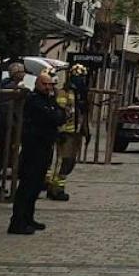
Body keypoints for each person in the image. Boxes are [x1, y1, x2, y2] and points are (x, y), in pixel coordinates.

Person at [8, 69, 65, 235]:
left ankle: (28, 218)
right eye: (44, 84)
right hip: (33, 149)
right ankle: (17, 222)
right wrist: (55, 113)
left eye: (50, 85)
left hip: (45, 147)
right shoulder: (34, 100)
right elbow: (53, 117)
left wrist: (56, 112)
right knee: (27, 186)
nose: (48, 87)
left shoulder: (49, 99)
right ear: (37, 84)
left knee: (36, 187)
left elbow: (61, 116)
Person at [45, 64, 89, 201]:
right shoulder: (64, 93)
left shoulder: (79, 95)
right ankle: (55, 188)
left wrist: (86, 131)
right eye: (79, 77)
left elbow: (81, 114)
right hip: (65, 133)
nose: (81, 81)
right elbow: (60, 113)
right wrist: (60, 131)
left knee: (69, 162)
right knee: (63, 161)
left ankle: (56, 185)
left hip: (74, 133)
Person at [0, 61, 26, 196]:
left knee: (2, 157)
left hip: (6, 127)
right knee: (1, 157)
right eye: (22, 72)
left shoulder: (7, 85)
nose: (24, 74)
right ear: (15, 74)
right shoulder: (11, 87)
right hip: (5, 128)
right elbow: (9, 108)